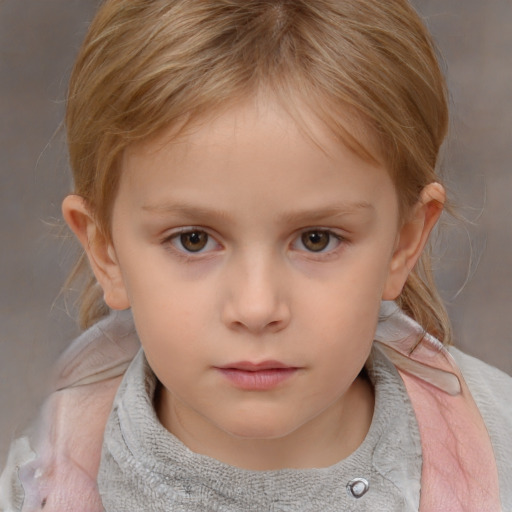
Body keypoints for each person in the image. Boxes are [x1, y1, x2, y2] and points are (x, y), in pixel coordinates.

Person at [1, 0, 511, 510]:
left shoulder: (498, 450)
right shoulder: (42, 484)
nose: (256, 308)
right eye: (193, 239)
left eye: (317, 239)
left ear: (403, 242)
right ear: (105, 250)